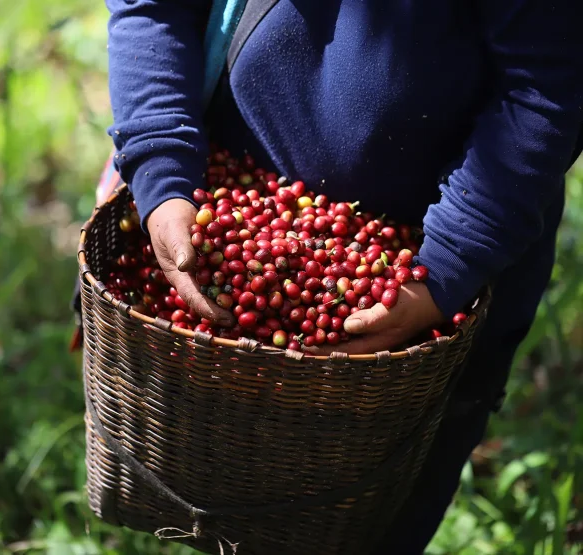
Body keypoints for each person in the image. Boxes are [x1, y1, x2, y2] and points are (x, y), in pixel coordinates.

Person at [100, 0, 583, 552]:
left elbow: (544, 87)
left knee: (376, 517)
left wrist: (446, 267)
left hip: (441, 263)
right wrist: (160, 165)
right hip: (230, 177)